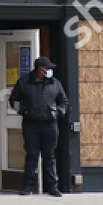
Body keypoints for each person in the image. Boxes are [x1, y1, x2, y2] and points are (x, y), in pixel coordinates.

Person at [9, 56, 69, 197]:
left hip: (50, 124)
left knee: (49, 156)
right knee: (32, 155)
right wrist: (24, 111)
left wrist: (58, 112)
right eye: (47, 68)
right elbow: (14, 100)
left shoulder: (55, 83)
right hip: (31, 123)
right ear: (40, 70)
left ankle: (52, 186)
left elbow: (64, 101)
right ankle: (28, 186)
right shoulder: (24, 83)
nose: (49, 71)